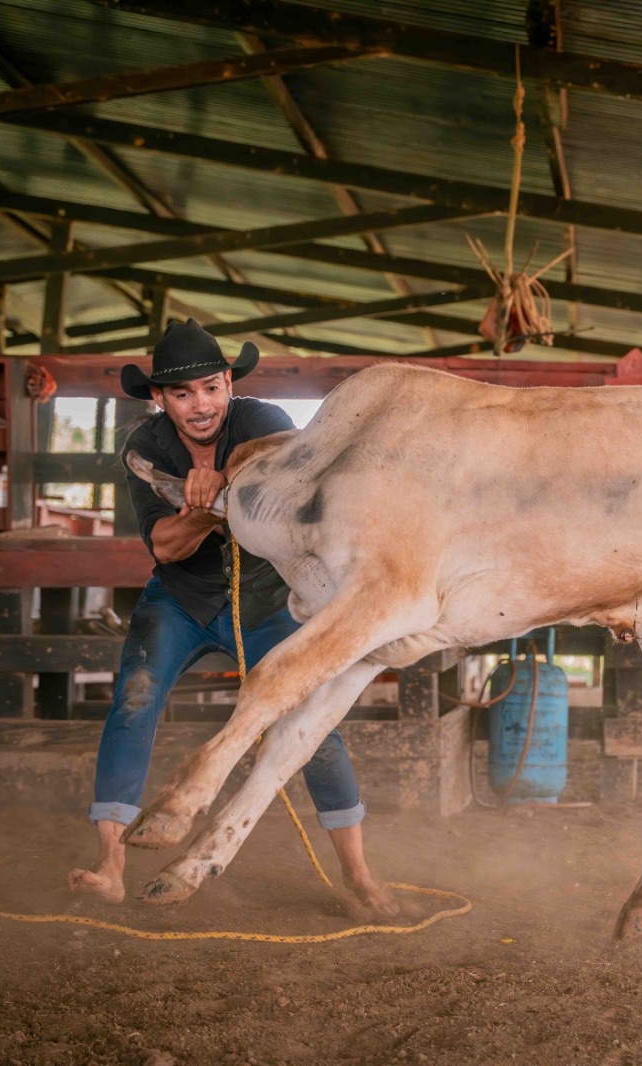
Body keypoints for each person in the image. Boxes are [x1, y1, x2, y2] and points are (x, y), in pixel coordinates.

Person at [68, 320, 396, 915]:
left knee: (312, 719)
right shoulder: (145, 446)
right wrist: (204, 509)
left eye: (211, 388)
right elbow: (166, 547)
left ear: (229, 384)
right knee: (135, 698)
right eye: (182, 393)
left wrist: (227, 479)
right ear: (159, 398)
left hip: (268, 598)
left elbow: (289, 483)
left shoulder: (263, 422)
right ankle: (110, 865)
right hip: (181, 598)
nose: (201, 405)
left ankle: (358, 874)